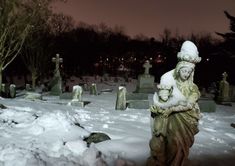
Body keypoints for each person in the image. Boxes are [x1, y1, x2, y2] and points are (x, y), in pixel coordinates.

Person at [147, 40, 202, 166]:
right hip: (172, 122)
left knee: (182, 145)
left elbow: (189, 104)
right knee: (174, 142)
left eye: (189, 72)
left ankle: (178, 163)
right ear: (178, 70)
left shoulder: (193, 88)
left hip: (186, 121)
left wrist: (172, 109)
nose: (186, 74)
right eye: (184, 71)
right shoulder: (169, 80)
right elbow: (161, 99)